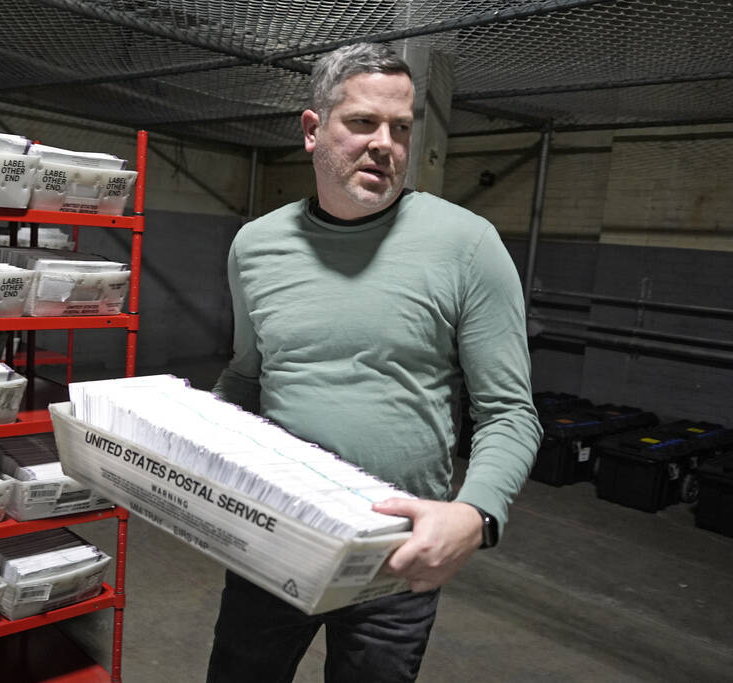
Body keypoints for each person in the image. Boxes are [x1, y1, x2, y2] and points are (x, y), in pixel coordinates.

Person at [207, 42, 543, 683]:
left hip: (396, 555)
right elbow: (248, 374)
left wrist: (474, 513)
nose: (384, 143)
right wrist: (180, 438)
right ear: (313, 131)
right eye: (362, 122)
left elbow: (509, 413)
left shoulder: (467, 245)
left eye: (400, 128)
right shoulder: (255, 246)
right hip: (275, 529)